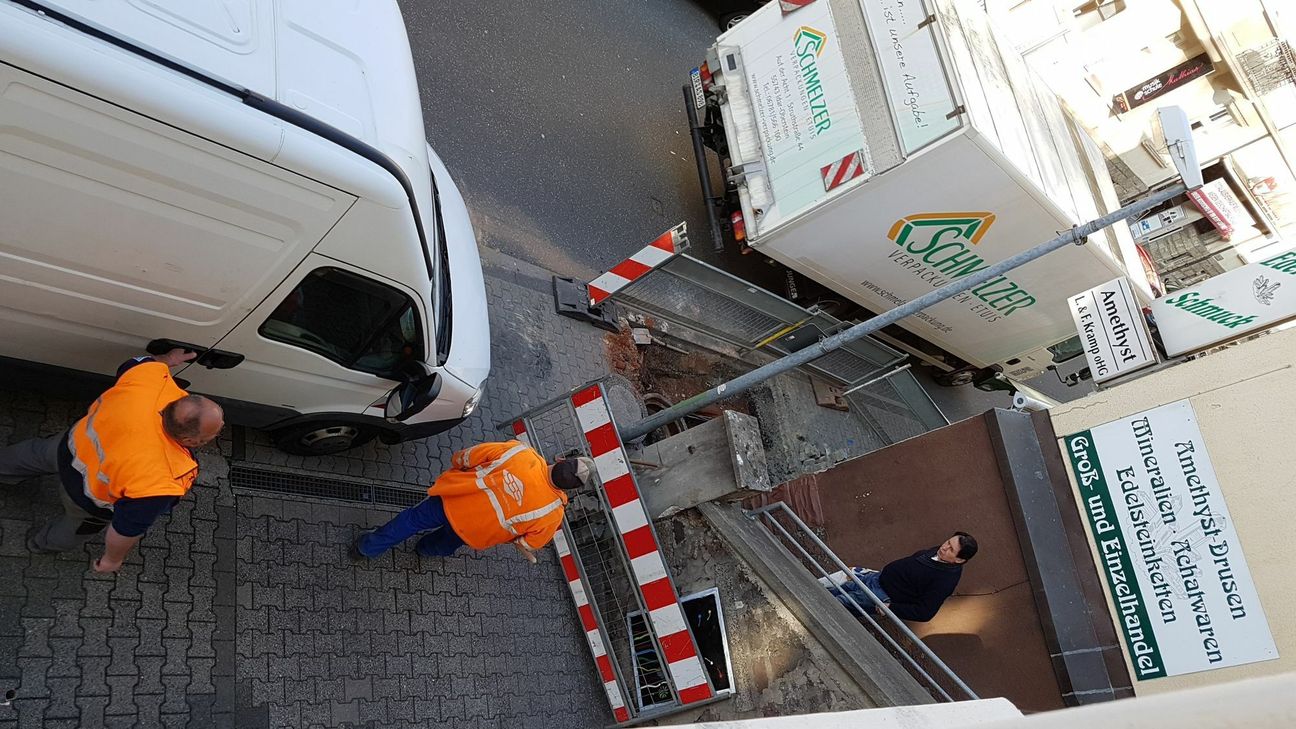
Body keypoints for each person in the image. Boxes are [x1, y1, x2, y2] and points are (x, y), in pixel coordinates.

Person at [0, 349, 224, 573]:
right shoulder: (164, 479)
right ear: (189, 440)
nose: (218, 432)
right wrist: (112, 559)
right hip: (86, 498)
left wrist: (166, 360)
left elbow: (134, 363)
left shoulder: (150, 380)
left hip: (68, 447)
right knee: (74, 528)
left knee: (29, 454)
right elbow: (125, 529)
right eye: (210, 435)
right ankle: (41, 545)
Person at [351, 440, 594, 561]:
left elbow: (467, 457)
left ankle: (367, 548)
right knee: (444, 544)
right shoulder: (553, 514)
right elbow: (528, 545)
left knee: (411, 520)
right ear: (572, 490)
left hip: (453, 500)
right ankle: (423, 551)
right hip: (474, 532)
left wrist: (457, 465)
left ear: (561, 460)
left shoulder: (521, 452)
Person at [820, 532, 978, 622]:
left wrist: (892, 609)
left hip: (880, 595)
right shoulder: (940, 553)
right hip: (876, 579)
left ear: (959, 560)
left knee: (836, 604)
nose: (944, 547)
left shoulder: (944, 582)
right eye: (947, 542)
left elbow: (925, 612)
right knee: (836, 591)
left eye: (951, 549)